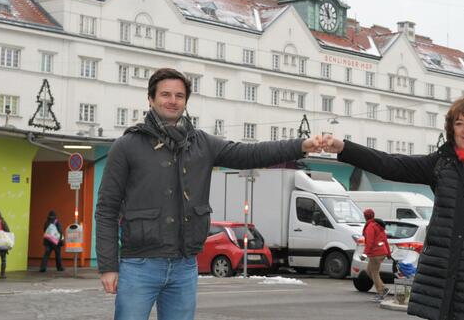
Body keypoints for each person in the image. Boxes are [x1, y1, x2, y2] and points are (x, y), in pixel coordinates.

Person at [95, 68, 322, 320]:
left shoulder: (202, 143)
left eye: (179, 96)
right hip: (139, 265)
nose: (172, 100)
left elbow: (250, 154)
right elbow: (106, 209)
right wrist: (108, 266)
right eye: (165, 94)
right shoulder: (126, 146)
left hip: (185, 265)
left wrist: (299, 146)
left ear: (186, 101)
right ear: (150, 99)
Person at [323, 95, 464, 320]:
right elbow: (390, 165)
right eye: (459, 124)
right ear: (451, 129)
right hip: (442, 279)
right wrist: (344, 148)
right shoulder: (442, 163)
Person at [362, 208, 391, 302]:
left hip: (376, 253)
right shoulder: (378, 225)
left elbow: (369, 242)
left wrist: (364, 254)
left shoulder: (370, 226)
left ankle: (381, 293)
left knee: (374, 272)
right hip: (380, 252)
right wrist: (388, 253)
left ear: (365, 217)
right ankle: (383, 288)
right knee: (369, 271)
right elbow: (385, 240)